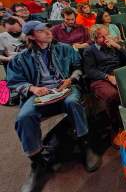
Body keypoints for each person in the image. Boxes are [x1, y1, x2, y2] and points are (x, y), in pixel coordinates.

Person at [7, 21, 101, 192]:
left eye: (46, 29)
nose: (48, 32)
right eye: (41, 31)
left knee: (73, 103)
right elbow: (14, 82)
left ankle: (86, 146)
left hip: (64, 88)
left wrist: (70, 79)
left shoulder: (63, 48)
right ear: (31, 37)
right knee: (24, 117)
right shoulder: (22, 58)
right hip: (39, 94)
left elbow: (78, 67)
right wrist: (33, 88)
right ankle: (37, 163)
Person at [83, 26, 126, 141]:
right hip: (100, 78)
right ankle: (116, 128)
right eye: (102, 37)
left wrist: (118, 46)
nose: (106, 39)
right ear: (95, 38)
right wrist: (107, 77)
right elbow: (90, 71)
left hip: (117, 74)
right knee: (112, 95)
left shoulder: (113, 46)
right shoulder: (89, 51)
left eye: (107, 35)